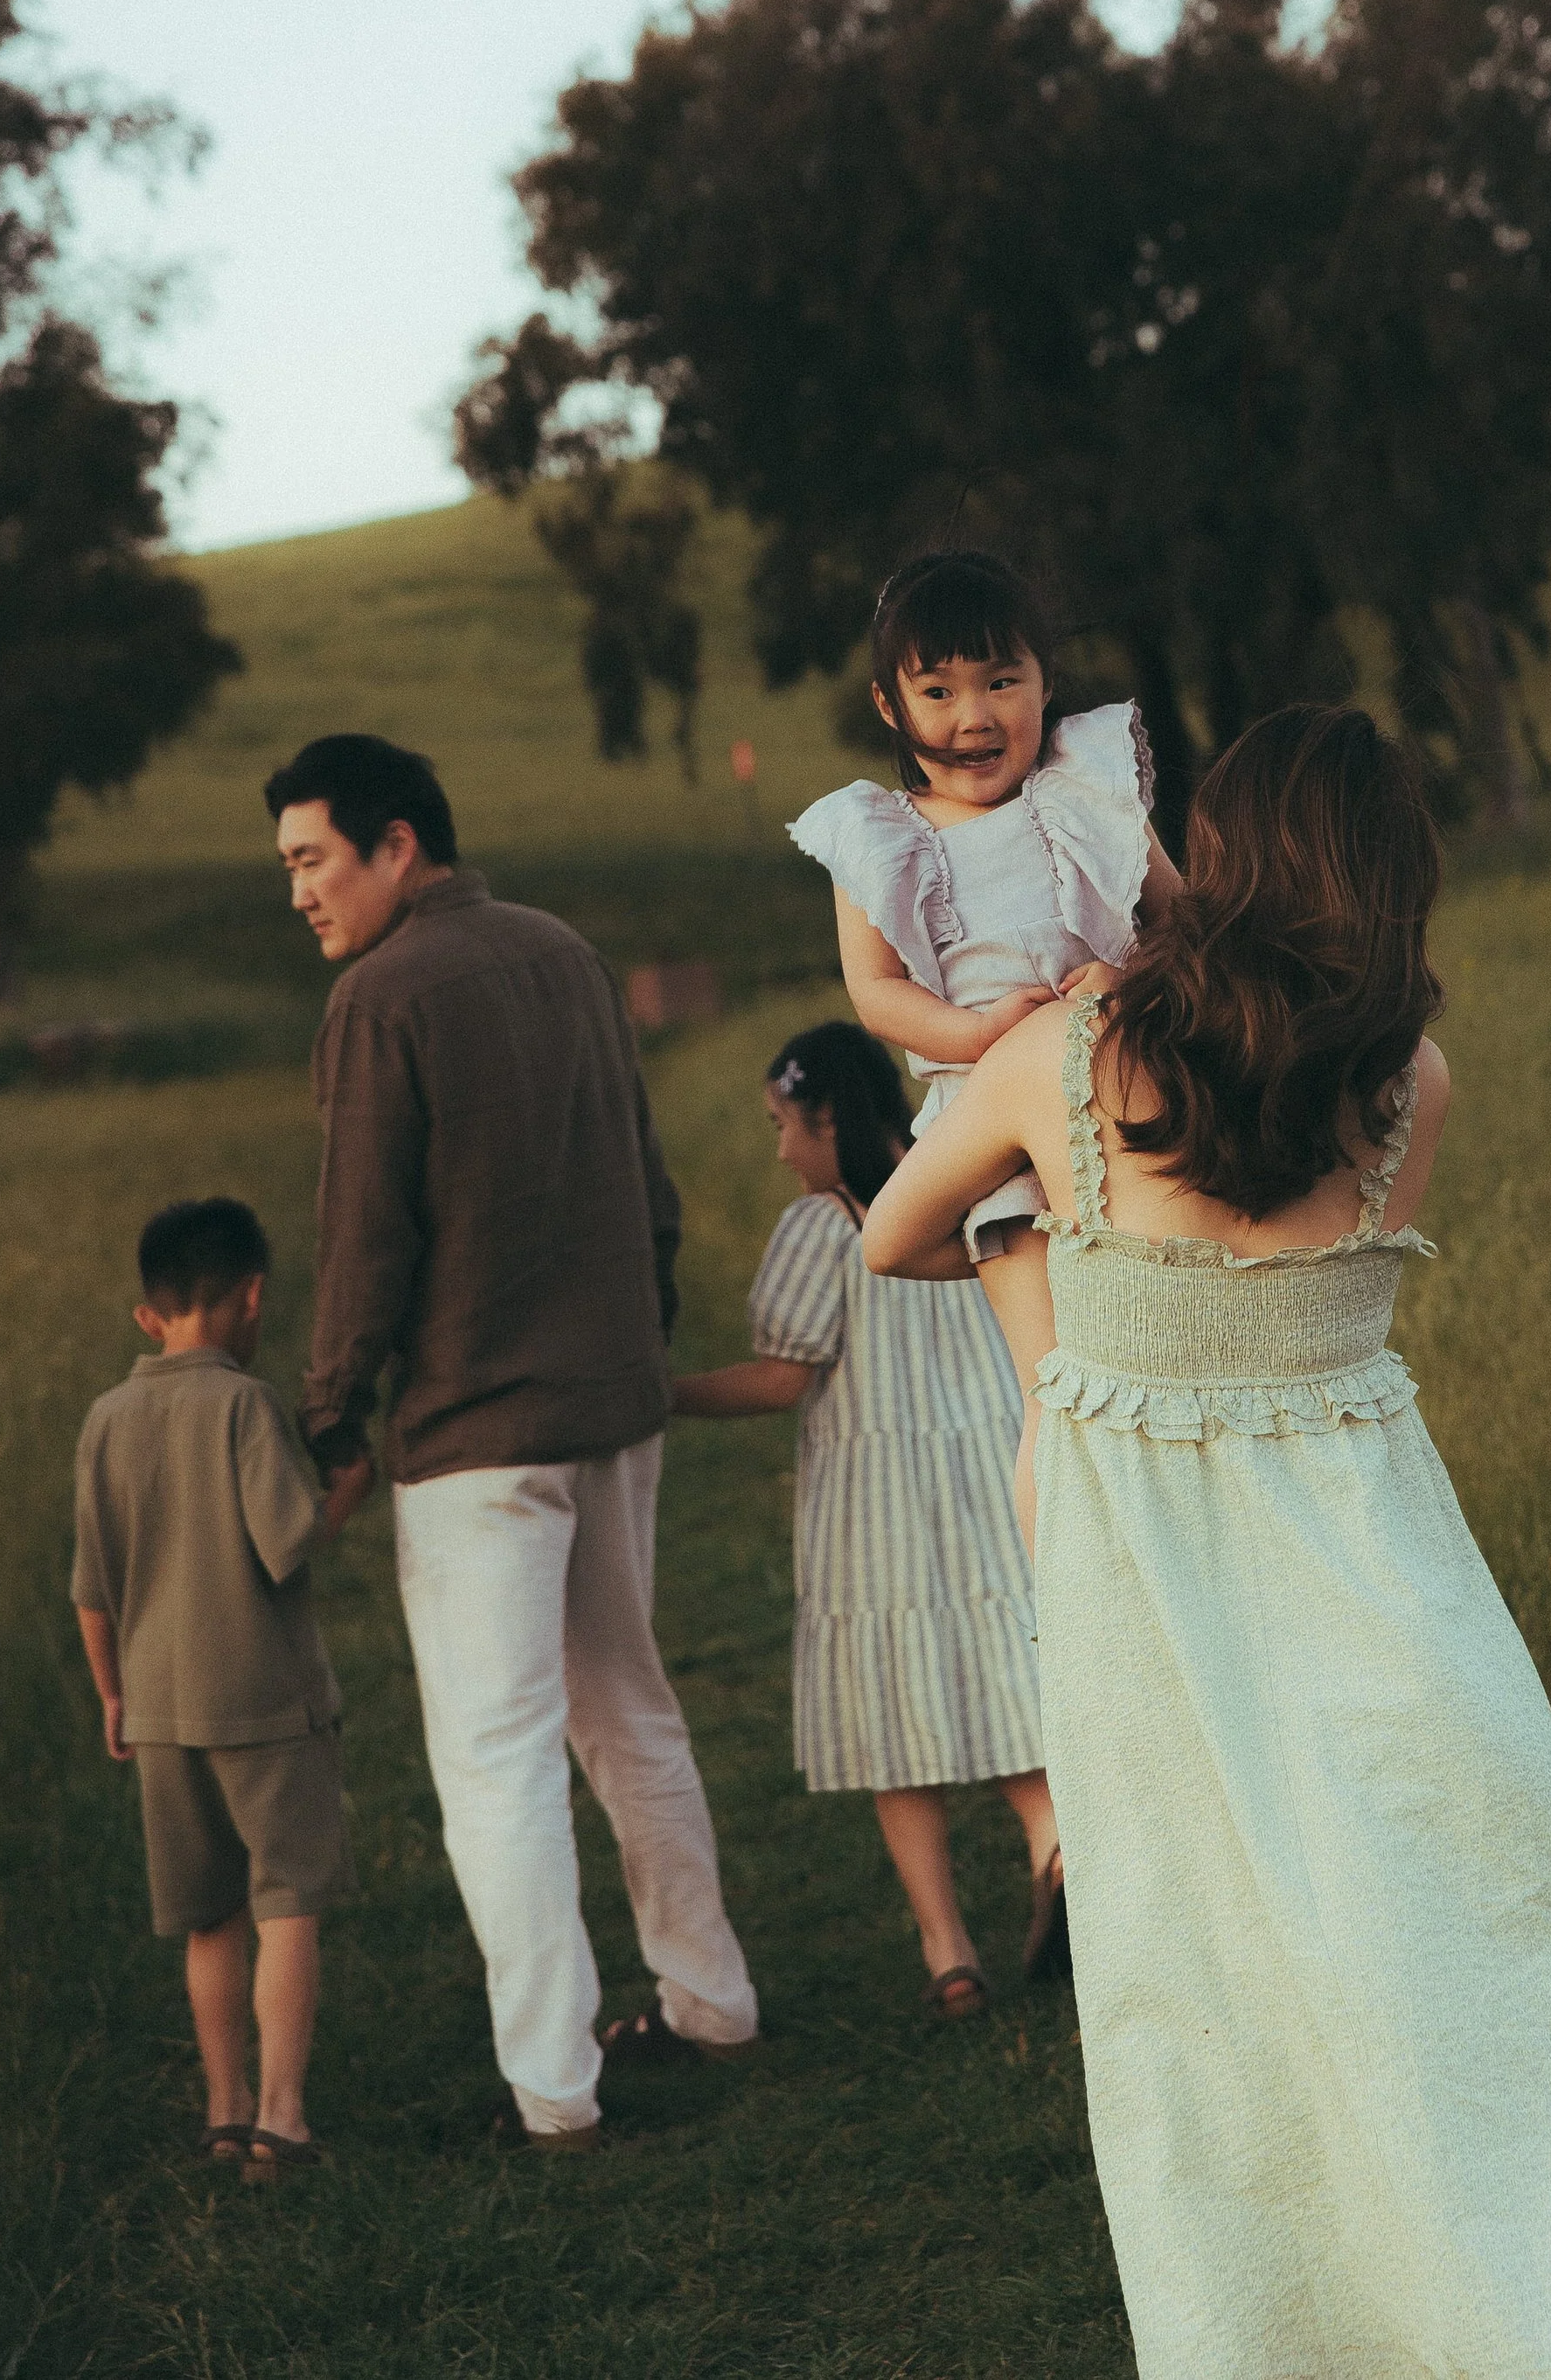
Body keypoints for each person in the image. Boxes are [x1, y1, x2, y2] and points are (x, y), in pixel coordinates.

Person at [863, 706, 1551, 2380]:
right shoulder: (1405, 1080)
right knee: (1469, 1935)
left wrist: (1067, 1252)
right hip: (1379, 1566)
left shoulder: (1062, 1062)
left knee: (1206, 1977)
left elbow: (890, 1240)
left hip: (1147, 1585)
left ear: (1209, 863)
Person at [267, 730, 757, 2149]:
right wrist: (638, 1338)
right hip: (609, 1410)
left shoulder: (379, 1000)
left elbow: (365, 1237)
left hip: (478, 1439)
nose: (299, 892)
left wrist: (328, 1406)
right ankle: (710, 2000)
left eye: (312, 860)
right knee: (631, 1711)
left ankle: (554, 2088)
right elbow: (645, 1181)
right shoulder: (567, 952)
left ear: (396, 846)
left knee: (499, 1763)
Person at [787, 547, 1182, 1544]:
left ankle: (1176, 1548)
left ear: (1046, 682)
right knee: (1056, 1380)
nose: (975, 716)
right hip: (993, 1139)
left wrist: (1126, 978)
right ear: (891, 705)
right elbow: (875, 992)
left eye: (1003, 681)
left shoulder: (1087, 793)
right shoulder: (882, 834)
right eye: (938, 690)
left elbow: (1188, 923)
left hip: (1137, 1104)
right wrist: (977, 1033)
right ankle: (1076, 1584)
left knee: (1162, 1355)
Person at [671, 1021, 1060, 2017]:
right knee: (1015, 1697)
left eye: (781, 1124)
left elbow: (779, 1376)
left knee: (894, 1727)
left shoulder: (823, 1225)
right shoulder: (959, 1181)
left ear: (827, 1118)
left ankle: (947, 1952)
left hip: (875, 1509)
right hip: (985, 1472)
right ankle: (1057, 1859)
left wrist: (667, 1395)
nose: (777, 1148)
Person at [71, 1198, 371, 2172]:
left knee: (205, 1914)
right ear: (251, 1297)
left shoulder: (106, 1419)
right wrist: (346, 1495)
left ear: (148, 1314)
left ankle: (223, 2107)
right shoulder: (244, 1404)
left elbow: (91, 1589)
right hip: (266, 1703)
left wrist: (114, 1695)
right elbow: (286, 1547)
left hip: (158, 1705)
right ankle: (283, 2119)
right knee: (286, 1899)